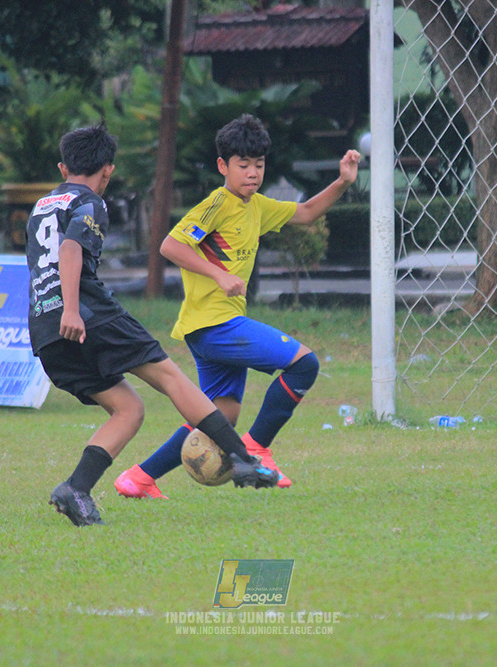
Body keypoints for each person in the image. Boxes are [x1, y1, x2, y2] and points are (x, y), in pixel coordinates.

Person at [25, 123, 279, 528]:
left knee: (128, 409)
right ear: (107, 170)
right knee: (169, 377)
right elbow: (71, 249)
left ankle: (75, 488)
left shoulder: (42, 205)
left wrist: (61, 313)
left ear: (62, 166)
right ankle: (242, 459)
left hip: (43, 326)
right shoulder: (91, 202)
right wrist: (72, 309)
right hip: (86, 314)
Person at [114, 114, 360, 499]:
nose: (252, 173)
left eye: (258, 165)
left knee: (219, 415)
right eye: (243, 165)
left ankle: (139, 478)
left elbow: (307, 213)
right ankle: (258, 448)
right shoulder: (217, 204)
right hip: (214, 325)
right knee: (304, 363)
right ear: (222, 166)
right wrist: (218, 275)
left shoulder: (257, 206)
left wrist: (343, 181)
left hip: (215, 325)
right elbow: (171, 246)